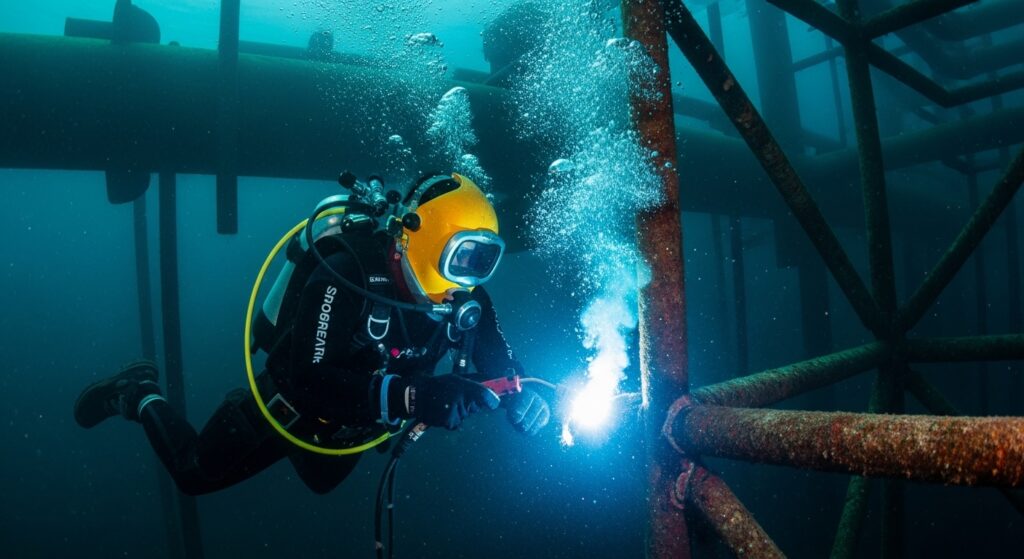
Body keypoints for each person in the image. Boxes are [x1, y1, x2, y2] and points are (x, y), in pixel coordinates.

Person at [73, 172, 551, 496]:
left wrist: (521, 396)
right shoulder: (347, 272)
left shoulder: (467, 300)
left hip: (352, 429)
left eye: (483, 262)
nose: (467, 279)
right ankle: (139, 392)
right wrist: (412, 397)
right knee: (193, 473)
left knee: (321, 481)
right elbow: (308, 377)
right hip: (288, 412)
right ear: (418, 238)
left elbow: (501, 365)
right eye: (462, 256)